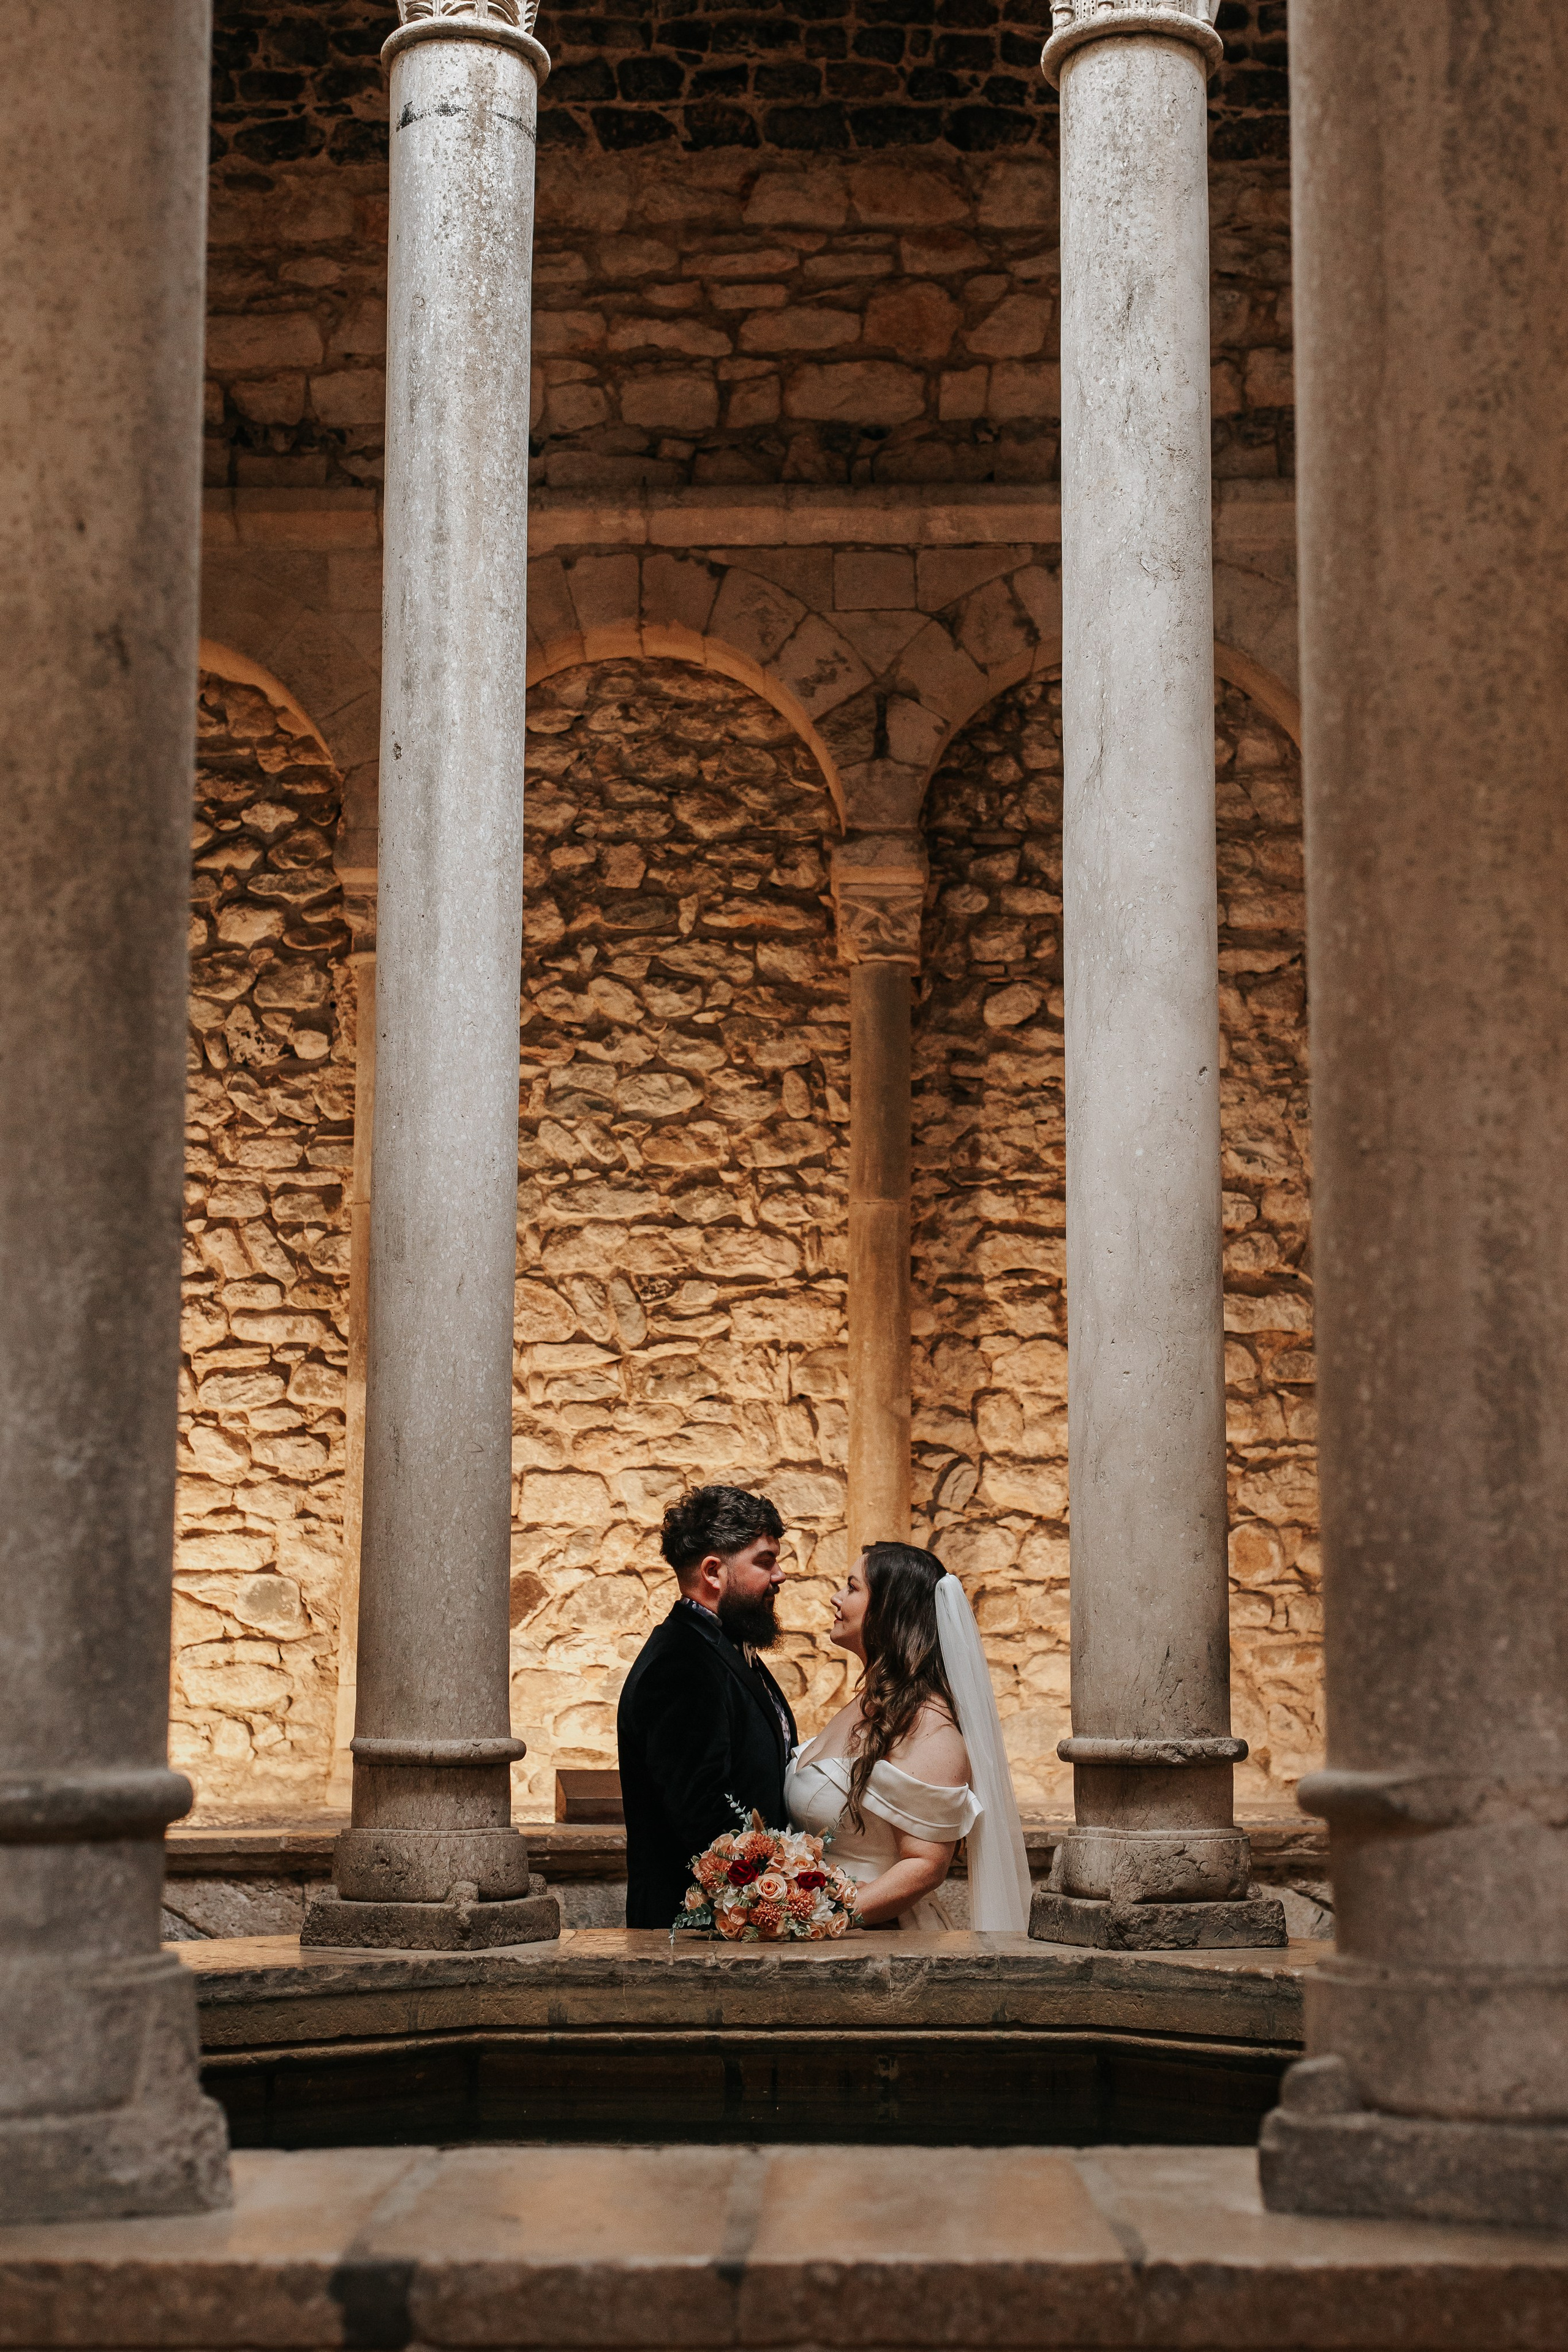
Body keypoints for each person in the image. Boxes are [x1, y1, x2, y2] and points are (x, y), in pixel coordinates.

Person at [785, 1542, 1033, 1932]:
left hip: (881, 1937)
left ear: (889, 1609)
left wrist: (819, 1917)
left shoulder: (928, 1724)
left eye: (851, 1588)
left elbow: (926, 1865)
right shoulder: (867, 1702)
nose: (836, 1598)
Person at [616, 1483, 799, 1930]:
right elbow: (705, 1818)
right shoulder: (681, 1664)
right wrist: (791, 1893)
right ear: (713, 1572)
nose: (779, 1577)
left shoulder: (721, 1648)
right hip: (697, 1932)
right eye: (764, 1561)